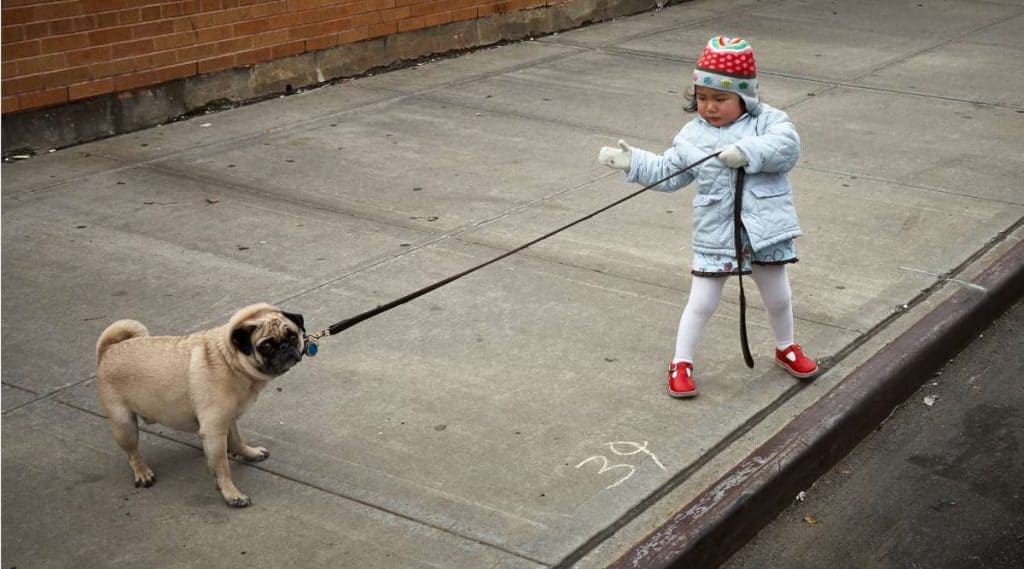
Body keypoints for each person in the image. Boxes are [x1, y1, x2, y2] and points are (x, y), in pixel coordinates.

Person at [598, 36, 819, 398]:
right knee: (702, 301)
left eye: (720, 99)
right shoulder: (691, 135)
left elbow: (787, 147)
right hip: (716, 231)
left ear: (745, 98)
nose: (710, 107)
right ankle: (680, 362)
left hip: (765, 229)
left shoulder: (768, 121)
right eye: (702, 98)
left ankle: (786, 346)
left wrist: (746, 151)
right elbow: (670, 171)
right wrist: (633, 162)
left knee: (778, 295)